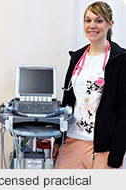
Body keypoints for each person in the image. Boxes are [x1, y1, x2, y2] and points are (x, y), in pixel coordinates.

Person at [54, 1, 126, 169]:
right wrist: (59, 139)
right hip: (72, 139)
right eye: (88, 20)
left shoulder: (120, 60)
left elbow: (124, 112)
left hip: (103, 147)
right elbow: (67, 101)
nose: (92, 26)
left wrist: (117, 154)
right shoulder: (77, 58)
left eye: (99, 21)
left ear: (110, 24)